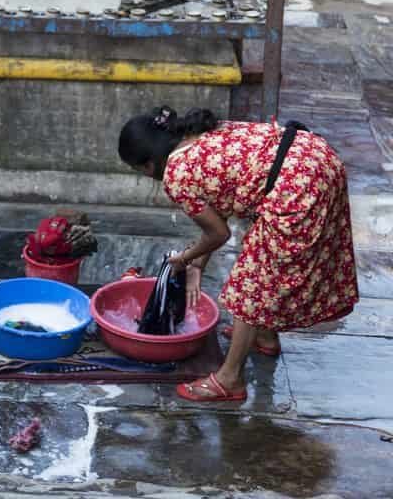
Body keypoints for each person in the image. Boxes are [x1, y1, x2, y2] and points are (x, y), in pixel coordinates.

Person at [118, 106, 359, 403]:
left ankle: (229, 379)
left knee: (251, 284)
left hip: (298, 183)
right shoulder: (198, 134)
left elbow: (219, 234)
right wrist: (197, 264)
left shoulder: (175, 175)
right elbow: (222, 202)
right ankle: (264, 336)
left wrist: (185, 258)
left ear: (147, 166)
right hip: (316, 156)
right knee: (263, 260)